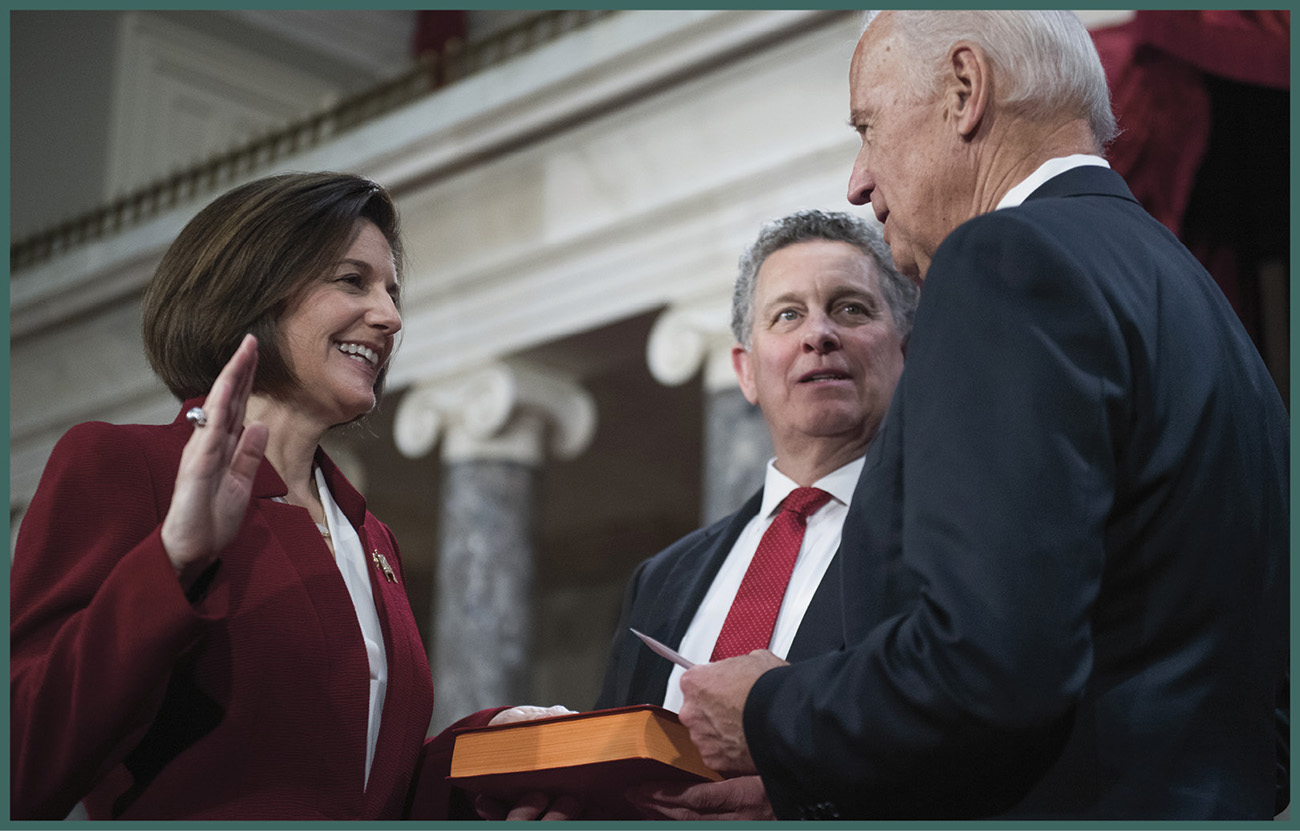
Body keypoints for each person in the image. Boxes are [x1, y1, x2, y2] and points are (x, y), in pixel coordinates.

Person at [677, 10, 1289, 820]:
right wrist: (808, 779)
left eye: (868, 126)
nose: (858, 181)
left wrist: (769, 712)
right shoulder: (1191, 291)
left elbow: (988, 662)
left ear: (966, 88)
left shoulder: (1003, 259)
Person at [9, 172, 493, 820]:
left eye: (391, 290)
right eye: (353, 280)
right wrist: (172, 559)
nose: (390, 316)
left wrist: (492, 750)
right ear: (254, 289)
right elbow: (23, 762)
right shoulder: (127, 464)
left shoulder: (370, 536)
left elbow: (358, 784)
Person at [481, 210, 917, 821]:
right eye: (787, 314)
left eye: (850, 308)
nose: (818, 334)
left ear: (907, 350)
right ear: (745, 370)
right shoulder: (663, 576)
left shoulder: (944, 537)